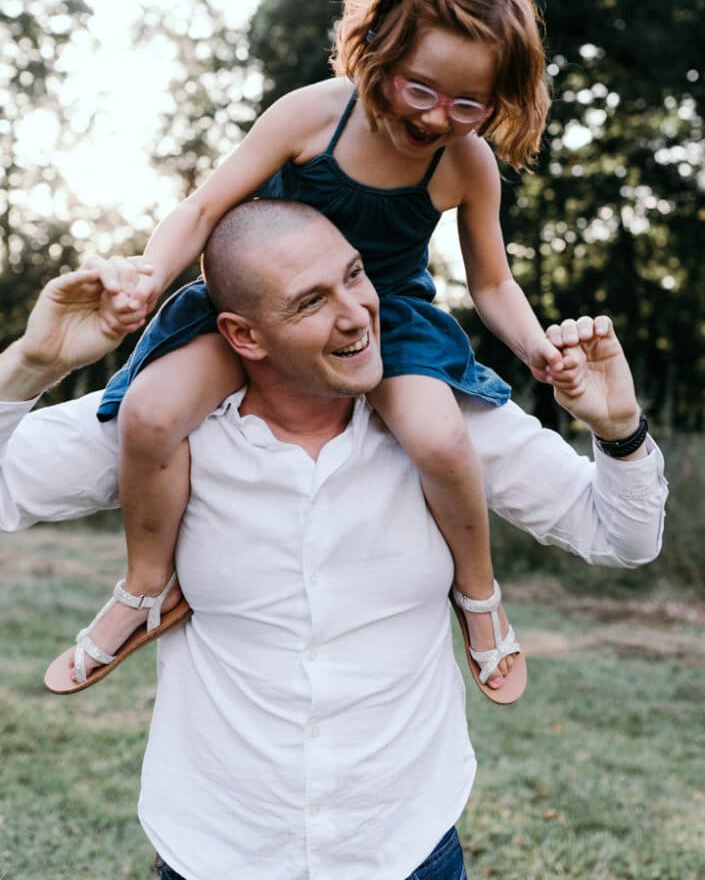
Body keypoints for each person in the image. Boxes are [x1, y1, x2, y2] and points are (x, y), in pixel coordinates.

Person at [0, 202, 666, 880]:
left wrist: (618, 430)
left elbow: (622, 538)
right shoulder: (164, 428)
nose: (355, 313)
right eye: (310, 302)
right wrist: (30, 363)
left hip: (406, 849)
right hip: (215, 851)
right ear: (244, 334)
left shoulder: (454, 425)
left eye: (353, 275)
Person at [52, 0, 571, 698]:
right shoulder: (311, 116)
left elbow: (490, 282)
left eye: (468, 103)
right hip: (264, 311)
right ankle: (147, 585)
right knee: (151, 415)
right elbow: (203, 207)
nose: (436, 117)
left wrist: (533, 346)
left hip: (383, 316)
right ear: (384, 52)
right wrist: (148, 274)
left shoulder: (466, 162)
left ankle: (479, 594)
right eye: (420, 90)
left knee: (438, 435)